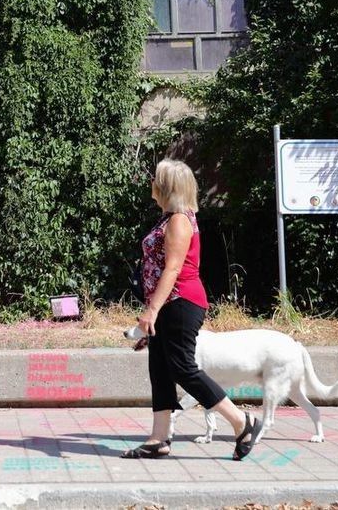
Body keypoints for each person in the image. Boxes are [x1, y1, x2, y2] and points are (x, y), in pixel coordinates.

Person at [121, 158, 262, 460]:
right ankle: (159, 438)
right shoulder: (169, 218)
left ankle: (242, 422)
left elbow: (173, 269)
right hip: (168, 304)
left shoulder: (179, 221)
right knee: (160, 368)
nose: (151, 183)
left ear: (167, 187)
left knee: (183, 368)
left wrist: (152, 310)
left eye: (156, 179)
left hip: (180, 303)